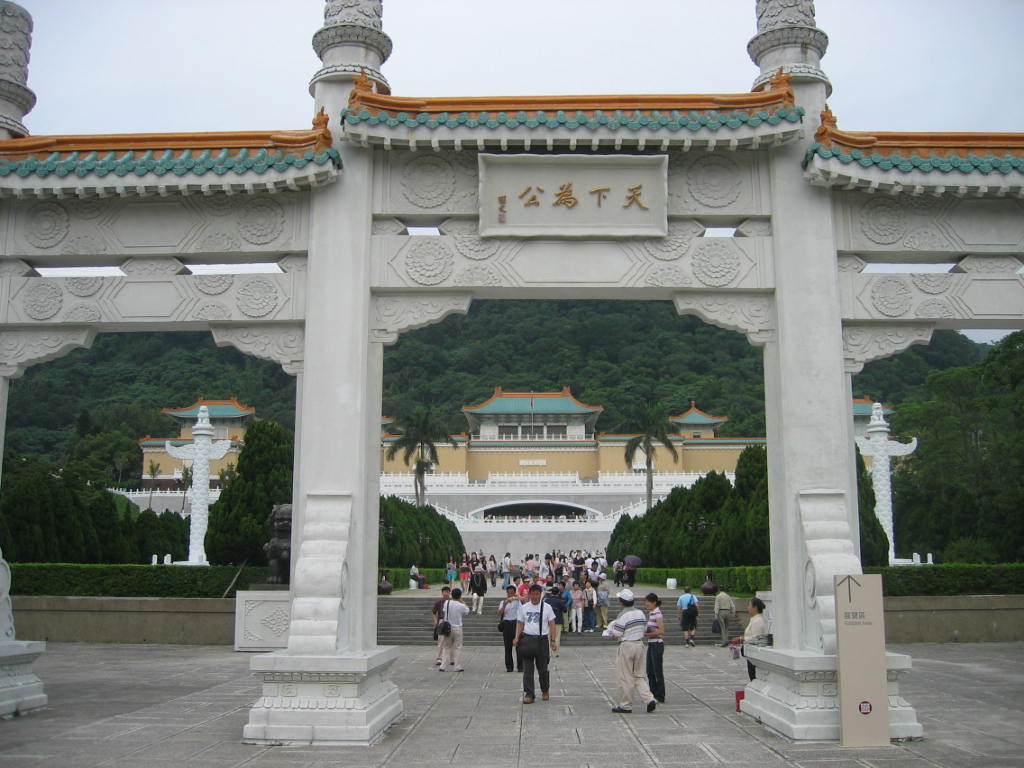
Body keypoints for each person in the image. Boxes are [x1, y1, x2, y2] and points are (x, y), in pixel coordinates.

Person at [604, 588, 657, 714]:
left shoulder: (622, 616)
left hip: (627, 646)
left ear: (622, 602)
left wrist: (610, 634)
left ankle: (625, 705)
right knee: (639, 675)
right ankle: (649, 699)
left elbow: (616, 633)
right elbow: (644, 629)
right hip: (639, 644)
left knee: (625, 676)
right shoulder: (640, 613)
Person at [513, 583, 558, 703]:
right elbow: (521, 623)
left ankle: (545, 690)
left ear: (540, 594)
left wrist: (552, 640)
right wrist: (517, 637)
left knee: (543, 668)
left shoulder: (547, 607)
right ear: (529, 595)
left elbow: (552, 624)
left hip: (542, 640)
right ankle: (529, 693)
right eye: (533, 594)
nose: (535, 597)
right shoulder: (524, 607)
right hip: (527, 640)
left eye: (537, 594)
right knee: (527, 669)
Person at [438, 587, 471, 672]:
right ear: (460, 596)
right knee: (457, 647)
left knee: (446, 647)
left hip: (447, 627)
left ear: (451, 595)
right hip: (457, 628)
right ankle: (456, 665)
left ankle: (443, 665)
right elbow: (467, 611)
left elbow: (444, 611)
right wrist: (462, 600)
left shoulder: (447, 603)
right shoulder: (461, 605)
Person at [736, 597, 768, 681]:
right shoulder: (755, 619)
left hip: (754, 654)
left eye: (749, 606)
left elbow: (755, 639)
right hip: (750, 653)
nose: (748, 608)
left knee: (753, 676)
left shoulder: (758, 621)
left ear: (755, 607)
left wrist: (741, 639)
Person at [644, 593, 666, 703]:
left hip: (657, 643)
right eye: (646, 601)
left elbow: (661, 631)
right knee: (649, 671)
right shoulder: (651, 613)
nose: (646, 604)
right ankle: (653, 693)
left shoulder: (657, 614)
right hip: (651, 643)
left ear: (654, 602)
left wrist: (647, 634)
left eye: (648, 602)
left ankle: (660, 695)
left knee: (657, 671)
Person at [498, 585, 522, 673]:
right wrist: (505, 604)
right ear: (507, 593)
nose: (510, 594)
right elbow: (500, 612)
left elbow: (522, 608)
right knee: (507, 647)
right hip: (507, 624)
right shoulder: (503, 602)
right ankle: (509, 666)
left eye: (512, 592)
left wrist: (518, 598)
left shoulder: (518, 601)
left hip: (515, 623)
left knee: (519, 646)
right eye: (509, 592)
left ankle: (520, 666)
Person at [431, 585, 452, 666]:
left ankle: (451, 658)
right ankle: (439, 658)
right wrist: (435, 621)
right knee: (441, 641)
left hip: (450, 621)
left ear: (450, 593)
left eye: (447, 592)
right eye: (444, 592)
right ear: (442, 593)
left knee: (451, 641)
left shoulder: (452, 601)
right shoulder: (439, 602)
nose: (446, 594)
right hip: (442, 621)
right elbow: (433, 612)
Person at [544, 585, 565, 655]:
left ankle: (548, 651)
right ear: (558, 593)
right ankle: (555, 652)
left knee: (548, 636)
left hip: (548, 621)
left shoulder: (546, 601)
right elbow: (565, 610)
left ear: (551, 593)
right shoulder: (560, 601)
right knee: (557, 637)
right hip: (558, 620)